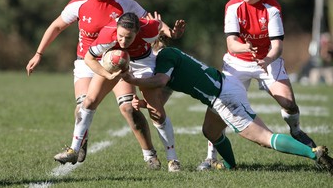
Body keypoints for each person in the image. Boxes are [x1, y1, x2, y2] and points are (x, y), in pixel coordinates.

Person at [26, 0, 182, 169]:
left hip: (116, 60)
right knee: (84, 105)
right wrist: (39, 53)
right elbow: (56, 26)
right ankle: (78, 145)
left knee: (128, 108)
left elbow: (149, 21)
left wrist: (170, 32)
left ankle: (149, 154)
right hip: (87, 60)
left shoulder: (124, 3)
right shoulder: (79, 4)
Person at [122, 47, 333, 174]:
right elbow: (163, 91)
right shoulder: (166, 61)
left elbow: (160, 81)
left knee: (264, 138)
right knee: (210, 132)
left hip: (223, 97)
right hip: (222, 89)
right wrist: (143, 103)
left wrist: (133, 79)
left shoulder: (165, 57)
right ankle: (231, 166)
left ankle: (314, 153)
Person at [198, 0, 317, 170]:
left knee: (288, 103)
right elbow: (231, 44)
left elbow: (277, 45)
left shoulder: (272, 8)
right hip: (237, 62)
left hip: (267, 60)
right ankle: (211, 156)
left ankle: (296, 131)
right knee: (221, 106)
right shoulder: (233, 6)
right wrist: (247, 48)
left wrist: (268, 59)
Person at [53, 12, 186, 172]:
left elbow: (158, 26)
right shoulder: (108, 33)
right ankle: (74, 149)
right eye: (120, 36)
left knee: (156, 111)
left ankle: (172, 160)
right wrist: (108, 74)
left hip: (143, 62)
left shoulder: (149, 29)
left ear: (137, 32)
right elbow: (89, 58)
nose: (123, 41)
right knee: (89, 101)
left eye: (128, 37)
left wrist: (170, 32)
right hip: (113, 62)